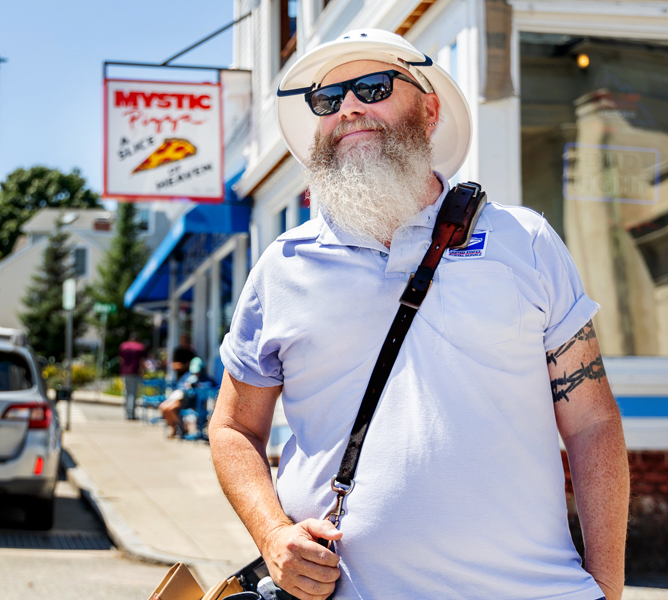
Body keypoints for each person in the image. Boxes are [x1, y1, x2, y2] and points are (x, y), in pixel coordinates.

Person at [208, 29, 628, 600]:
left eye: (372, 87)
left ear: (429, 111)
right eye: (327, 100)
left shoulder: (524, 241)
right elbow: (234, 428)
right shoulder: (282, 267)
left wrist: (607, 584)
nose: (349, 108)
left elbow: (592, 422)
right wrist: (272, 533)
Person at [159, 357, 216, 438]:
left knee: (169, 409)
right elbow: (179, 385)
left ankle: (180, 428)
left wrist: (198, 386)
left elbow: (212, 386)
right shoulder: (187, 376)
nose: (196, 373)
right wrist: (186, 386)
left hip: (193, 403)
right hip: (182, 399)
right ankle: (177, 427)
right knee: (163, 407)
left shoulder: (204, 378)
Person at [118, 332, 147, 420]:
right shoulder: (140, 347)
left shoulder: (124, 346)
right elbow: (141, 361)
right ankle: (131, 414)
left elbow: (121, 360)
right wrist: (143, 371)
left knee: (126, 393)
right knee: (133, 394)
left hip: (125, 372)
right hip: (135, 372)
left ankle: (127, 412)